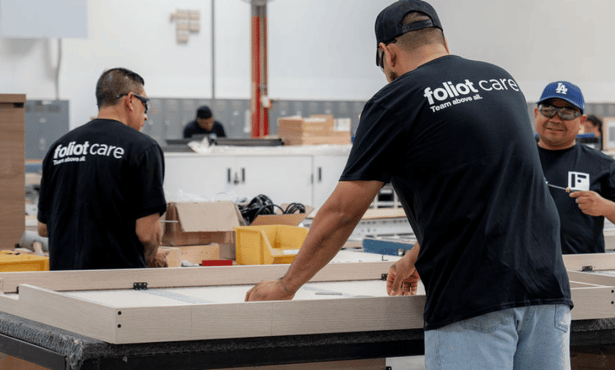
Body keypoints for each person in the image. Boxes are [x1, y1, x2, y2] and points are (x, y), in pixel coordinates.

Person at [245, 1, 573, 369]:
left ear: (387, 54)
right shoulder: (502, 81)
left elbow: (342, 211)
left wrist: (286, 285)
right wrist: (418, 256)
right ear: (442, 42)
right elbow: (493, 190)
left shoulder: (395, 100)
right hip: (548, 292)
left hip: (474, 300)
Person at [37, 67, 168, 270]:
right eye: (146, 105)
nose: (146, 117)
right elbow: (147, 234)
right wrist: (151, 255)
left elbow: (43, 228)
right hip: (117, 286)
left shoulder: (59, 148)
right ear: (130, 100)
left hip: (63, 284)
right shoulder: (143, 148)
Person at [535, 81, 615, 254]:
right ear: (536, 114)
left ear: (581, 121)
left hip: (580, 270)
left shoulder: (600, 164)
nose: (555, 119)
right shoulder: (516, 158)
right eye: (548, 110)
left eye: (567, 113)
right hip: (523, 271)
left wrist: (604, 206)